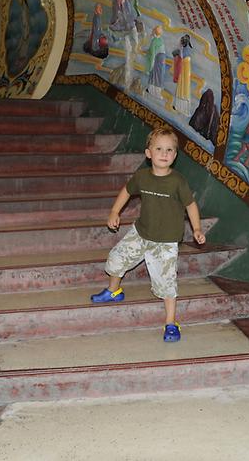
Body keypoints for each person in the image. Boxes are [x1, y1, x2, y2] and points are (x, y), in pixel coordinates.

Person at [90, 127, 206, 342]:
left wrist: (197, 229)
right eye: (159, 148)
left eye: (170, 149)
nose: (164, 153)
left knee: (167, 283)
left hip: (165, 242)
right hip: (141, 232)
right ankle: (114, 291)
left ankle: (171, 323)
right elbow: (126, 190)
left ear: (175, 155)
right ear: (148, 153)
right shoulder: (142, 176)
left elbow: (190, 205)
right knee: (117, 257)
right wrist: (115, 212)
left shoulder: (177, 181)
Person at [173, 34, 193, 115]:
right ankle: (181, 108)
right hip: (185, 70)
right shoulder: (187, 50)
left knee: (182, 88)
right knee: (183, 88)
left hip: (184, 70)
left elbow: (180, 58)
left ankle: (180, 108)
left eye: (180, 42)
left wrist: (177, 53)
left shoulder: (184, 50)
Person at [145, 25, 166, 99]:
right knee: (158, 76)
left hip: (159, 61)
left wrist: (151, 65)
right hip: (160, 61)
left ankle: (154, 91)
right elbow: (153, 53)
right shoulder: (158, 40)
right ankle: (155, 92)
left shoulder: (156, 40)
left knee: (156, 76)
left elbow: (152, 53)